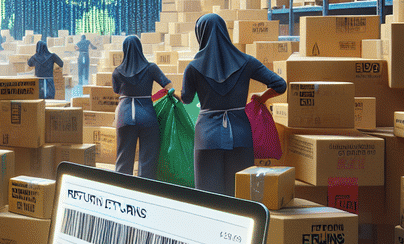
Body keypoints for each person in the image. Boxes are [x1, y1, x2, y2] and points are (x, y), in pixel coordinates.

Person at [181, 13, 286, 195]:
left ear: (201, 34)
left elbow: (187, 98)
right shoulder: (247, 61)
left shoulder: (193, 67)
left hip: (207, 136)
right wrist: (263, 96)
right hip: (241, 134)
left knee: (208, 197)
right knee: (239, 194)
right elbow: (280, 84)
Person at [112, 35, 171, 179]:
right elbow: (169, 86)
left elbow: (116, 90)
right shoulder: (151, 68)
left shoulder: (117, 72)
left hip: (125, 116)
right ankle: (145, 193)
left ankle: (121, 190)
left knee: (123, 160)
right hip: (147, 116)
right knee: (148, 161)